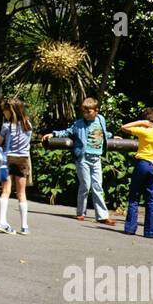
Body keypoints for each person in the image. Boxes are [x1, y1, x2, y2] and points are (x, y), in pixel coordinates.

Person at [40, 96, 113, 225]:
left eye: (88, 112)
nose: (86, 114)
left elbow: (102, 133)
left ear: (96, 110)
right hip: (83, 158)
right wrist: (53, 134)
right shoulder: (79, 124)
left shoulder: (101, 119)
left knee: (97, 186)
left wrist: (112, 136)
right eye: (84, 112)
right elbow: (67, 132)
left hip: (96, 158)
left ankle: (102, 215)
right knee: (86, 185)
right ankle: (81, 212)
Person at [118, 108, 153, 238]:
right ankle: (150, 232)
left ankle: (130, 228)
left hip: (142, 163)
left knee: (134, 196)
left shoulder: (144, 131)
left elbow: (124, 127)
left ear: (146, 119)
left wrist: (140, 122)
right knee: (151, 199)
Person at [0, 97, 32, 235]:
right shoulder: (28, 125)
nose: (3, 113)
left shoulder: (6, 126)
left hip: (8, 159)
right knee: (22, 194)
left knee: (6, 191)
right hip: (22, 160)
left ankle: (2, 222)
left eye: (4, 111)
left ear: (10, 111)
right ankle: (24, 226)